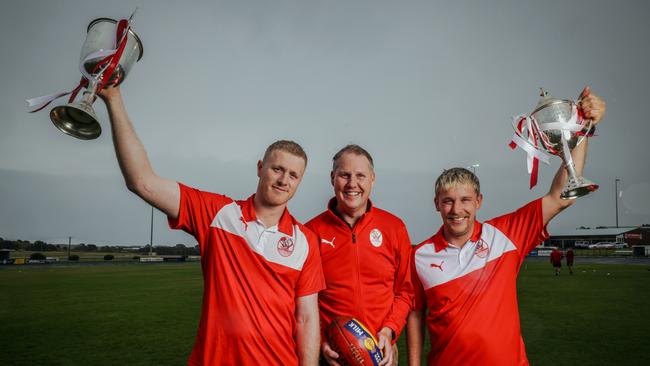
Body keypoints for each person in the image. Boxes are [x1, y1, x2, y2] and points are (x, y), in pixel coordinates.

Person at [100, 86, 325, 365]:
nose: (283, 180)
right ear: (260, 167)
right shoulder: (218, 214)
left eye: (293, 175)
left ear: (299, 182)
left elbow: (306, 318)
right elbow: (141, 181)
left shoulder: (305, 240)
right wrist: (114, 98)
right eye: (277, 169)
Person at [407, 87, 605, 365]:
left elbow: (560, 197)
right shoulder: (419, 256)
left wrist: (582, 126)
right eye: (447, 201)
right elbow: (415, 314)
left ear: (479, 201)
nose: (456, 210)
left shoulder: (506, 233)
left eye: (465, 200)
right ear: (436, 204)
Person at [306, 145, 413, 366]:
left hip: (381, 352)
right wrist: (321, 341)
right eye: (344, 175)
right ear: (332, 178)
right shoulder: (311, 233)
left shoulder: (394, 227)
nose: (352, 184)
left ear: (372, 179)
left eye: (360, 176)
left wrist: (389, 331)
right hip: (332, 354)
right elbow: (305, 300)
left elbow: (405, 291)